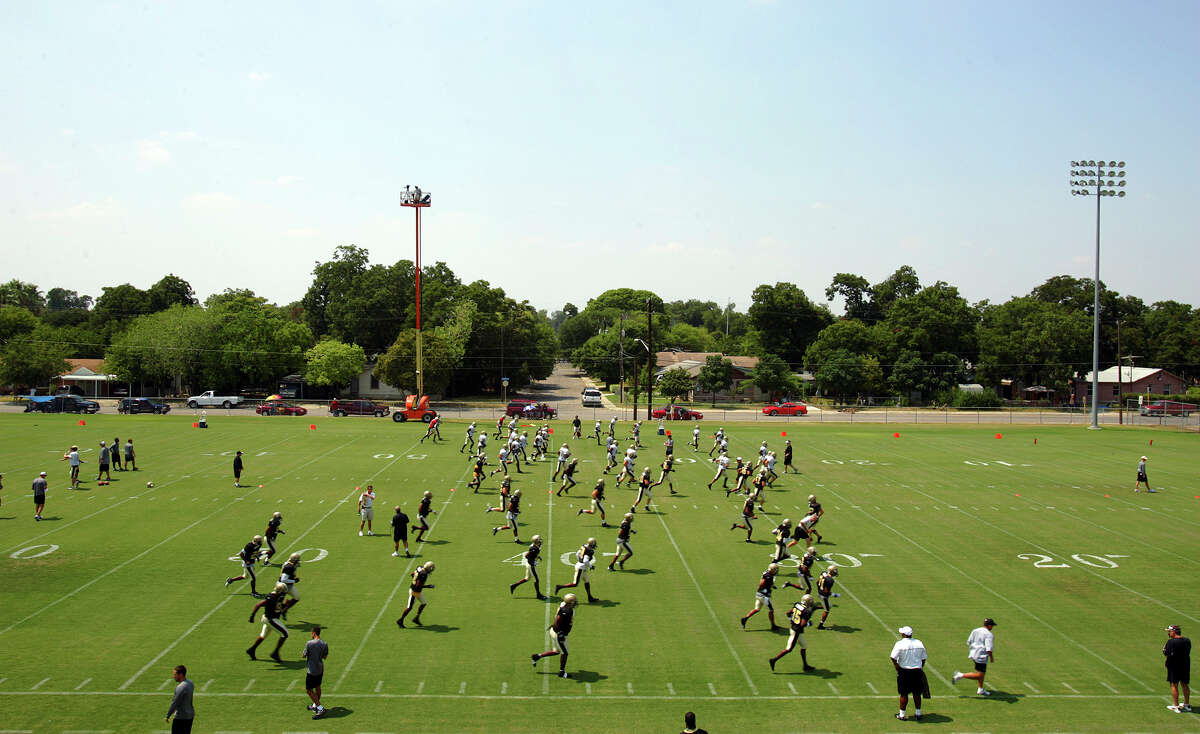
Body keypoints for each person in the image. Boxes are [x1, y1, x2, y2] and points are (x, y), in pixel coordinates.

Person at [531, 593, 577, 678]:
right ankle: (562, 672)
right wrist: (560, 633)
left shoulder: (564, 605)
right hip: (558, 634)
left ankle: (537, 656)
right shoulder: (567, 611)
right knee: (565, 653)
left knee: (556, 651)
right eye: (573, 601)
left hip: (554, 631)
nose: (575, 603)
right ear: (569, 602)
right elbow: (558, 619)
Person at [890, 625, 929, 721]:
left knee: (904, 694)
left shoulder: (899, 644)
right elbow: (924, 658)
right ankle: (918, 713)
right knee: (917, 693)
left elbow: (893, 657)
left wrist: (897, 667)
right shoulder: (919, 643)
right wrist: (920, 667)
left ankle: (902, 714)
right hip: (917, 671)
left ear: (903, 634)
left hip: (904, 671)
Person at [770, 594, 818, 671]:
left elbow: (788, 613)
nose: (811, 602)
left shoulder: (797, 604)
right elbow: (802, 624)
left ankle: (805, 666)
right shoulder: (807, 611)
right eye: (810, 601)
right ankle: (773, 660)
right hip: (796, 631)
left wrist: (792, 621)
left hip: (795, 629)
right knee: (789, 649)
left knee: (804, 646)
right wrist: (809, 624)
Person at [953, 618, 996, 695]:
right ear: (989, 625)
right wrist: (991, 657)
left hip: (973, 653)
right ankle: (960, 675)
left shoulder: (976, 630)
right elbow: (989, 649)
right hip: (981, 656)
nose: (992, 627)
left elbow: (969, 641)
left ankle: (980, 689)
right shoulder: (989, 635)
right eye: (992, 625)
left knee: (981, 672)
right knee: (979, 674)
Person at [246, 583, 289, 660]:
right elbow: (258, 605)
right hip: (270, 619)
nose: (285, 593)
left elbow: (277, 607)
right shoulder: (272, 598)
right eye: (283, 592)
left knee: (263, 635)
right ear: (280, 592)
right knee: (285, 634)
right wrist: (252, 616)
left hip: (270, 618)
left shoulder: (278, 595)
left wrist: (284, 606)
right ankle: (275, 653)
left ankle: (252, 650)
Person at [554, 538, 599, 602]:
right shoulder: (590, 550)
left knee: (587, 581)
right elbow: (585, 561)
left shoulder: (584, 546)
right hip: (581, 568)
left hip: (582, 567)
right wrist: (591, 566)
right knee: (575, 584)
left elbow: (577, 554)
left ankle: (590, 597)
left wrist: (580, 560)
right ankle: (559, 587)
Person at [739, 563, 780, 630]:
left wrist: (771, 585)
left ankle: (745, 619)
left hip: (759, 594)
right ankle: (773, 625)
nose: (777, 571)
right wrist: (765, 589)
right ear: (773, 570)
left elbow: (766, 581)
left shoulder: (766, 572)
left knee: (757, 609)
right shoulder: (769, 576)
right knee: (771, 610)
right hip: (764, 596)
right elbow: (762, 583)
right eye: (776, 569)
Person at [396, 561, 435, 627]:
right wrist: (428, 586)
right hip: (414, 592)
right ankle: (400, 620)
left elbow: (412, 574)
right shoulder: (424, 574)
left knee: (423, 603)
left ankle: (416, 618)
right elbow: (418, 585)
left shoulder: (420, 567)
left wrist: (414, 579)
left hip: (418, 591)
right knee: (409, 607)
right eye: (431, 568)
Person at [302, 626, 329, 719]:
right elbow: (325, 657)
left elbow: (303, 655)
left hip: (311, 670)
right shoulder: (324, 643)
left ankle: (320, 708)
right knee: (317, 687)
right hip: (320, 668)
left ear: (313, 633)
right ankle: (315, 705)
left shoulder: (309, 643)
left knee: (308, 690)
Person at [1164, 624, 1192, 712]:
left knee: (1174, 685)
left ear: (1173, 632)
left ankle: (1176, 706)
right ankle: (1187, 704)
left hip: (1174, 666)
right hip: (1185, 666)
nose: (1168, 633)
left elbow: (1166, 653)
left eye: (1169, 631)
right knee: (1185, 685)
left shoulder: (1171, 642)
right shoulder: (1187, 640)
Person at [164, 664, 195, 733]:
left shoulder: (181, 687)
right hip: (190, 715)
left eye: (175, 674)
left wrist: (168, 715)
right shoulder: (190, 683)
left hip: (181, 717)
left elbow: (175, 703)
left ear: (180, 675)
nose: (173, 676)